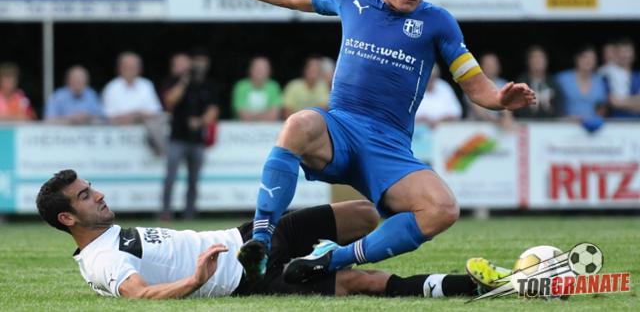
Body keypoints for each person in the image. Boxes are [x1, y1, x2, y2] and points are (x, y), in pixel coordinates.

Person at [188, 0, 535, 283]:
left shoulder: (438, 22)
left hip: (388, 148)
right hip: (339, 130)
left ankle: (331, 259)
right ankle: (261, 242)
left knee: (442, 209)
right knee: (298, 123)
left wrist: (500, 100)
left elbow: (476, 86)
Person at [35, 170, 511, 300]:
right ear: (67, 220)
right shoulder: (102, 260)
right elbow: (140, 295)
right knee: (363, 283)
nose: (98, 195)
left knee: (364, 213)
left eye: (91, 188)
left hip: (250, 237)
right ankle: (473, 285)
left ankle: (326, 255)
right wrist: (196, 280)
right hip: (247, 278)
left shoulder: (106, 236)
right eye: (84, 196)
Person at [161, 48, 219, 221]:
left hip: (197, 140)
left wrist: (200, 122)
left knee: (193, 180)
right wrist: (185, 80)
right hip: (177, 138)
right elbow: (170, 101)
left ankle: (190, 214)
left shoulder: (208, 85)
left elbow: (213, 110)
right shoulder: (175, 81)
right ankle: (166, 212)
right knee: (170, 177)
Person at [102, 52, 163, 125]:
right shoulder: (111, 88)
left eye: (133, 67)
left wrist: (137, 114)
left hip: (145, 125)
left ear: (139, 69)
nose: (130, 70)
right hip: (119, 127)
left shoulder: (147, 85)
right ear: (119, 68)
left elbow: (155, 111)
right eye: (127, 67)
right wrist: (132, 116)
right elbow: (108, 115)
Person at [555, 45, 608, 119]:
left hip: (592, 124)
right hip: (566, 123)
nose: (588, 61)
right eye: (584, 57)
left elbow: (603, 106)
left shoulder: (600, 81)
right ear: (577, 59)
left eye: (592, 58)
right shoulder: (562, 79)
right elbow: (553, 103)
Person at [513, 46, 563, 119]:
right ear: (528, 61)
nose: (538, 61)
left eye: (541, 57)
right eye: (534, 58)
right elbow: (515, 108)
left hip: (550, 123)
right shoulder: (521, 82)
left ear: (546, 61)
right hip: (525, 122)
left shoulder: (553, 82)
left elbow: (559, 107)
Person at [465, 53, 513, 127]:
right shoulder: (472, 84)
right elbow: (479, 111)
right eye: (488, 65)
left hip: (499, 127)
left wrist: (507, 119)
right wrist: (496, 121)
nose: (491, 68)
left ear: (498, 66)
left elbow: (507, 108)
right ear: (480, 67)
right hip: (476, 128)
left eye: (493, 65)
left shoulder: (504, 84)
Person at [231, 56, 282, 121]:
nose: (260, 72)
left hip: (268, 126)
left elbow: (273, 115)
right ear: (250, 70)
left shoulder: (273, 87)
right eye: (257, 68)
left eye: (264, 69)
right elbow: (243, 115)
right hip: (243, 127)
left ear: (269, 71)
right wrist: (265, 114)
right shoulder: (241, 86)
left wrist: (252, 115)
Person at [605, 38, 640, 118]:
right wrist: (636, 101)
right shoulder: (608, 75)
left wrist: (621, 101)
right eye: (621, 51)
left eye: (627, 51)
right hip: (617, 123)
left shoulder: (638, 76)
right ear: (615, 55)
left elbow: (618, 102)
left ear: (633, 55)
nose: (624, 55)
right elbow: (613, 102)